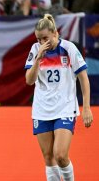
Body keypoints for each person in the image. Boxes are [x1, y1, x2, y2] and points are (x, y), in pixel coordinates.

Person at [25, 14, 93, 181]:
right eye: (39, 39)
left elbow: (83, 77)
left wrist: (86, 108)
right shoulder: (35, 50)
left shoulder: (68, 48)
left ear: (55, 33)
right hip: (42, 109)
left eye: (45, 38)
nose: (42, 43)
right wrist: (38, 59)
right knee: (48, 157)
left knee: (60, 155)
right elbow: (29, 80)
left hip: (65, 107)